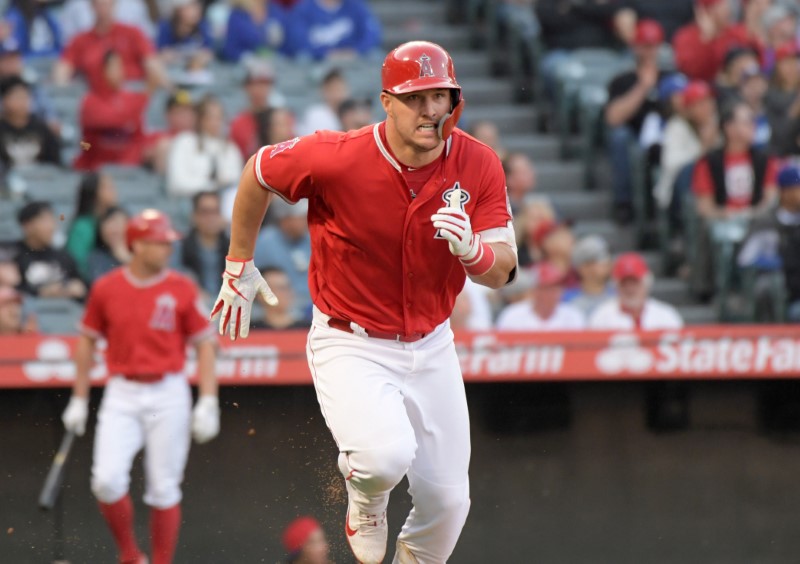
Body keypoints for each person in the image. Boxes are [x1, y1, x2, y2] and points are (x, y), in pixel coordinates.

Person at [210, 41, 517, 563]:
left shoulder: (478, 162)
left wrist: (474, 250)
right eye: (415, 98)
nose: (430, 110)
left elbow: (503, 269)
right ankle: (365, 499)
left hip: (432, 343)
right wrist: (239, 262)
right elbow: (258, 172)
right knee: (383, 458)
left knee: (449, 502)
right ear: (387, 102)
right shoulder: (338, 155)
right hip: (350, 339)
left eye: (439, 96)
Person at [60, 209, 219, 564]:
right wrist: (79, 399)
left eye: (168, 242)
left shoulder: (180, 286)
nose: (167, 249)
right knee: (106, 480)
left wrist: (208, 400)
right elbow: (86, 341)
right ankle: (131, 556)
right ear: (137, 244)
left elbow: (205, 343)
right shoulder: (107, 287)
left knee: (164, 489)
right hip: (122, 391)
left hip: (169, 391)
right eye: (159, 243)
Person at [604, 19, 668, 224]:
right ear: (635, 47)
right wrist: (644, 86)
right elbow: (613, 118)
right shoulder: (622, 80)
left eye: (654, 46)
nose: (649, 51)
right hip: (634, 138)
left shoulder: (669, 77)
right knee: (619, 137)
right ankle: (624, 203)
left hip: (664, 137)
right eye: (645, 45)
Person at [53, 0, 168, 91]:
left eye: (107, 4)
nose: (103, 9)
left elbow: (151, 62)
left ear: (114, 5)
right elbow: (64, 66)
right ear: (92, 6)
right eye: (99, 4)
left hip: (131, 93)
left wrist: (164, 85)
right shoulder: (80, 40)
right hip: (96, 96)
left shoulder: (132, 33)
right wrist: (61, 88)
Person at [738, 163, 800, 322]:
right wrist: (774, 263)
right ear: (785, 191)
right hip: (775, 283)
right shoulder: (766, 221)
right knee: (769, 286)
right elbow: (745, 258)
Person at [73, 50, 150, 171]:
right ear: (101, 70)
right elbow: (107, 120)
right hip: (91, 158)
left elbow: (138, 137)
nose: (119, 72)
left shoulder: (130, 98)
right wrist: (143, 100)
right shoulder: (90, 100)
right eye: (113, 67)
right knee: (82, 144)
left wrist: (129, 162)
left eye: (120, 66)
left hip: (126, 165)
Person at [166, 94, 243, 197]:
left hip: (223, 203)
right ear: (200, 119)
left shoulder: (230, 148)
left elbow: (236, 181)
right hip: (189, 201)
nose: (215, 123)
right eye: (210, 117)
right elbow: (177, 183)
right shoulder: (184, 142)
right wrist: (210, 186)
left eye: (219, 117)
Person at [589, 252, 683, 329]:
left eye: (635, 283)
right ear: (616, 286)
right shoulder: (601, 316)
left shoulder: (666, 315)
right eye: (624, 283)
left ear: (646, 283)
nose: (630, 289)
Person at [13, 201, 87, 300]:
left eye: (52, 220)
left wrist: (77, 289)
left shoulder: (64, 256)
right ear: (27, 225)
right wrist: (40, 292)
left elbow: (84, 287)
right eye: (45, 221)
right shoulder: (12, 256)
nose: (52, 227)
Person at [253, 198, 312, 317]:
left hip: (311, 307)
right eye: (299, 216)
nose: (305, 219)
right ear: (285, 219)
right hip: (276, 307)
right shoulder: (266, 241)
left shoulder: (311, 238)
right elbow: (254, 284)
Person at [671, 0, 755, 82]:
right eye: (722, 7)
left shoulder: (735, 32)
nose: (728, 11)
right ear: (707, 11)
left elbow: (758, 57)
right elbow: (693, 72)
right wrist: (707, 38)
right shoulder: (685, 37)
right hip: (703, 89)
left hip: (737, 89)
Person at [496, 261, 586, 330]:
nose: (552, 293)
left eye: (556, 287)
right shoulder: (513, 315)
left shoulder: (573, 316)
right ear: (534, 290)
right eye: (546, 288)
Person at [66, 172, 119, 278]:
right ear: (94, 192)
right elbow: (77, 264)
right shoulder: (82, 227)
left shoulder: (116, 221)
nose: (114, 191)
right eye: (107, 187)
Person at [0, 75, 61, 168]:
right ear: (5, 100)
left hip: (39, 179)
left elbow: (54, 161)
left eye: (25, 97)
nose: (22, 102)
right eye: (17, 97)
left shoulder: (41, 127)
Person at [292, 0, 382, 61]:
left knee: (376, 55)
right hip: (318, 60)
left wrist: (355, 50)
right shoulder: (304, 8)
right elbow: (299, 41)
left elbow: (372, 34)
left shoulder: (355, 5)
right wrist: (325, 53)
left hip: (354, 57)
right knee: (302, 58)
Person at [178, 191, 229, 298]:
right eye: (205, 212)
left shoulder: (232, 247)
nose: (211, 218)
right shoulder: (181, 247)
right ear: (194, 216)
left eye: (215, 212)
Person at [229, 59, 283, 159]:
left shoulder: (281, 119)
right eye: (256, 83)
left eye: (265, 83)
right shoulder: (239, 123)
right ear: (247, 87)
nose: (261, 89)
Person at [143, 88, 197, 174]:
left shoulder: (201, 137)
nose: (185, 116)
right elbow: (145, 154)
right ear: (168, 115)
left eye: (189, 112)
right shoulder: (156, 137)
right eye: (179, 112)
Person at [220, 0, 295, 62]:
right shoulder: (237, 14)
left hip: (277, 66)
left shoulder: (275, 10)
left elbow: (290, 44)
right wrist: (246, 58)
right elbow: (230, 49)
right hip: (243, 68)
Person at [563, 234, 615, 318]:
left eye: (599, 262)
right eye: (589, 263)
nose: (594, 268)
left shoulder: (618, 295)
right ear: (579, 267)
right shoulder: (566, 299)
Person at [765, 42, 800, 157]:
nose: (791, 66)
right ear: (777, 66)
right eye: (786, 62)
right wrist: (795, 109)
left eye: (794, 61)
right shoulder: (771, 96)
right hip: (782, 156)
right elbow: (778, 135)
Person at [86, 206, 131, 284]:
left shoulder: (138, 255)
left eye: (120, 224)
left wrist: (128, 260)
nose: (116, 230)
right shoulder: (95, 257)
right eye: (111, 223)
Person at [298, 68, 349, 135]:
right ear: (324, 91)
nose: (338, 94)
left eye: (341, 88)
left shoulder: (351, 114)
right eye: (334, 89)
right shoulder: (315, 114)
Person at [502, 151, 537, 216]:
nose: (531, 174)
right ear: (509, 179)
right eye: (524, 172)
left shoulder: (535, 205)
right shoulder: (503, 211)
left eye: (530, 170)